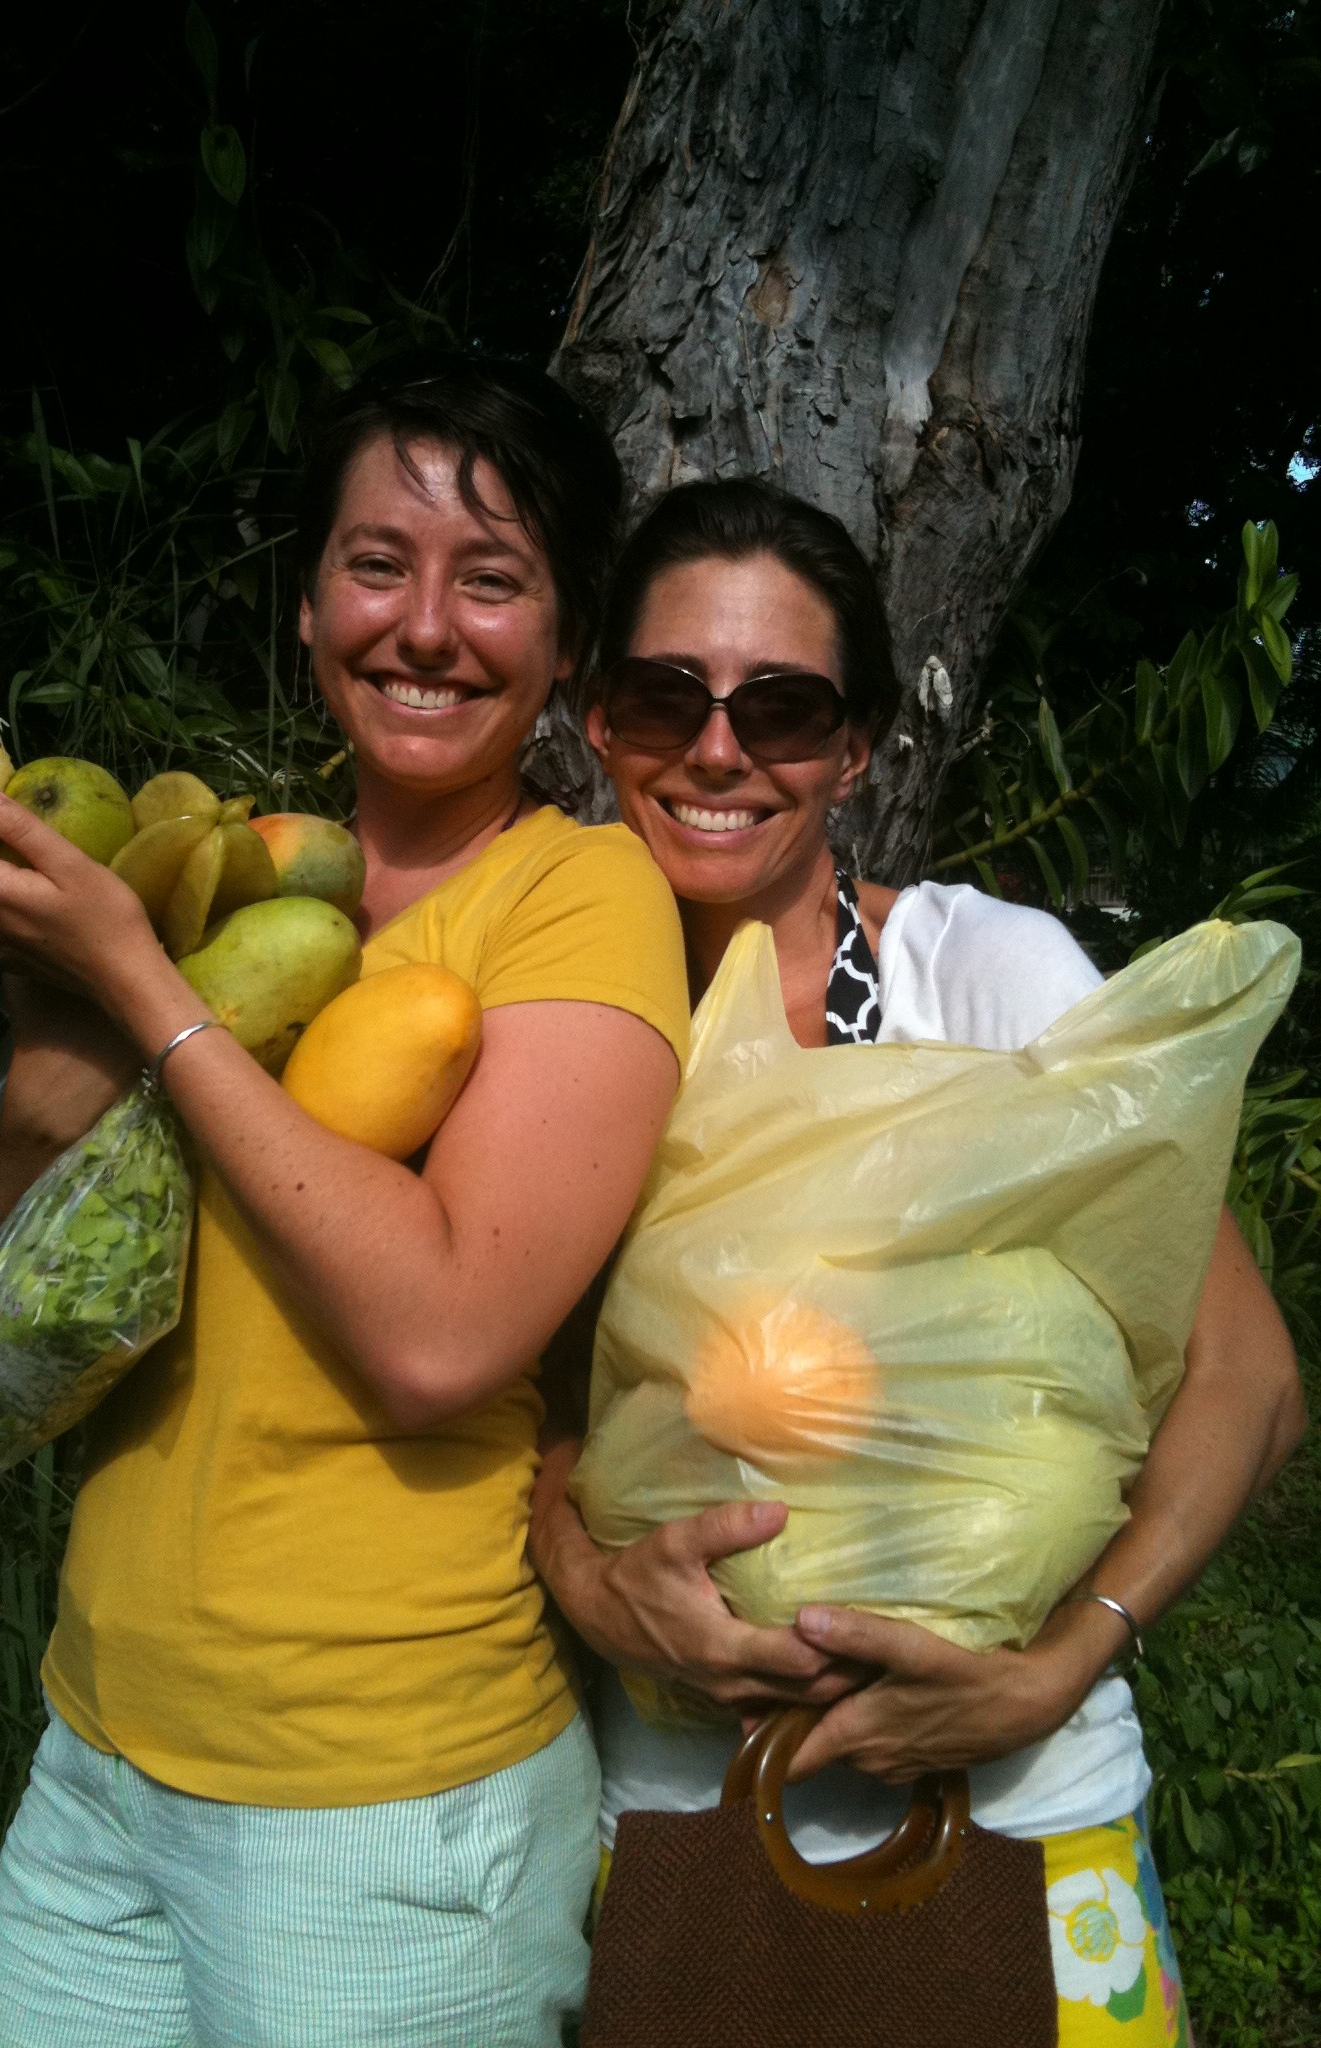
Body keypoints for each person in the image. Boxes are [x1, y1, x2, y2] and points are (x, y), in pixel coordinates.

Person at [0, 356, 693, 2048]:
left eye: (494, 581)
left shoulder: (578, 895)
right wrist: (57, 1027)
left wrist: (137, 988)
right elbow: (25, 1314)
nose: (424, 627)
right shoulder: (238, 870)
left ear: (563, 643)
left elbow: (441, 1338)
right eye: (376, 563)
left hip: (383, 1811)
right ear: (312, 600)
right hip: (99, 1746)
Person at [530, 477, 1308, 2045]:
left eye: (787, 706)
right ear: (596, 716)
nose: (720, 748)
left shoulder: (983, 970)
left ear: (860, 744)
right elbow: (523, 1399)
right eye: (664, 693)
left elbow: (1250, 1373)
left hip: (1023, 1809)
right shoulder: (556, 1023)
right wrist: (592, 1584)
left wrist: (1056, 1664)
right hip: (678, 1810)